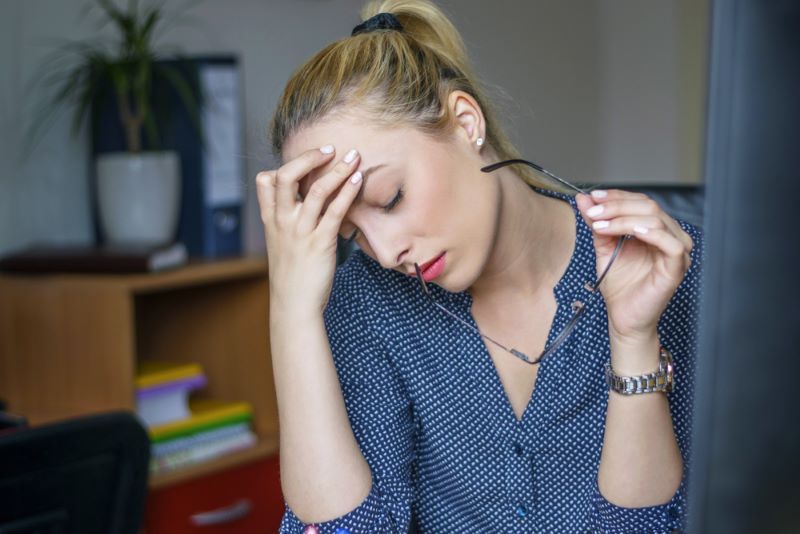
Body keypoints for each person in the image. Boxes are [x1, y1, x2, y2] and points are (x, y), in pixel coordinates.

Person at [256, 1, 702, 532]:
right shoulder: (367, 301)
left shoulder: (678, 273)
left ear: (466, 122)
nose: (387, 251)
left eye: (391, 197)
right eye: (350, 235)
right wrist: (291, 310)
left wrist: (633, 341)